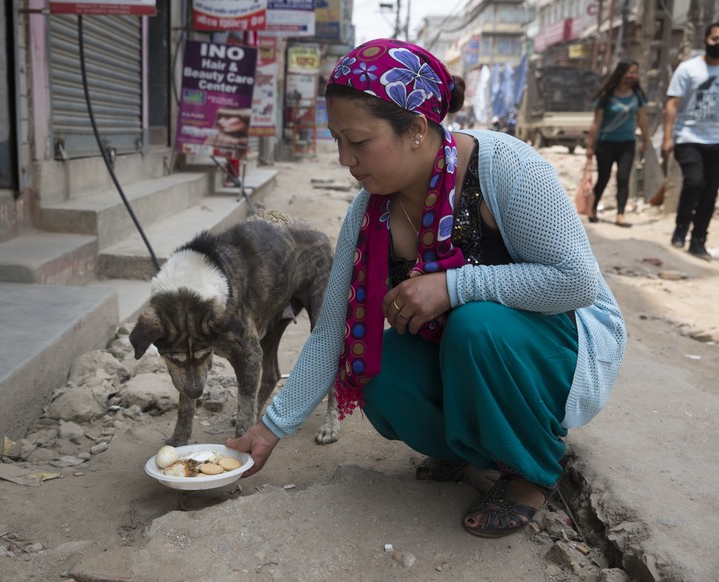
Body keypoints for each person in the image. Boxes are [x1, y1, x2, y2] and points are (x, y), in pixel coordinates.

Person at [226, 38, 626, 538]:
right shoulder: (368, 210)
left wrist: (454, 286)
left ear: (417, 129)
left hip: (558, 347)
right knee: (374, 365)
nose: (345, 159)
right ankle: (474, 449)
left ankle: (531, 472)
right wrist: (269, 430)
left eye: (358, 141)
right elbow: (330, 331)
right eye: (337, 140)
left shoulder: (509, 171)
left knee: (476, 324)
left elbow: (577, 283)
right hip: (466, 351)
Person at [661, 22, 719, 261]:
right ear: (706, 40)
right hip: (689, 137)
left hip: (716, 140)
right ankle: (681, 228)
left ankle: (698, 241)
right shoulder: (688, 69)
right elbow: (672, 104)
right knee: (694, 182)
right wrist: (667, 137)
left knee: (710, 191)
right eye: (716, 38)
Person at [584, 60, 651, 227]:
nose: (632, 76)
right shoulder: (606, 96)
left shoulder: (637, 96)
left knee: (623, 177)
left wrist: (646, 139)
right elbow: (596, 123)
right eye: (630, 72)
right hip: (605, 143)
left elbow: (642, 120)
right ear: (620, 74)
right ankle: (592, 208)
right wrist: (590, 147)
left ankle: (620, 214)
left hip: (627, 143)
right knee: (604, 177)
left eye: (635, 73)